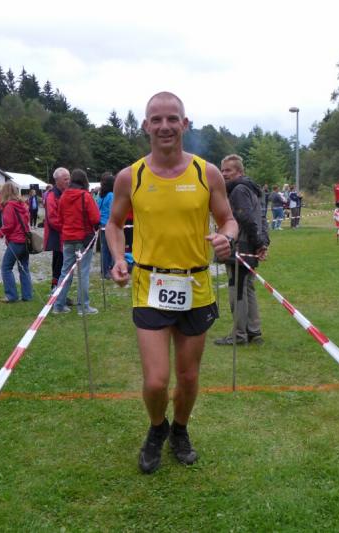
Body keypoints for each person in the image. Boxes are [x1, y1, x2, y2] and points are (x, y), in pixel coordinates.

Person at [106, 92, 236, 474]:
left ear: (185, 124)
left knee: (189, 377)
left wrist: (227, 237)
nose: (165, 126)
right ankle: (156, 428)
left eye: (172, 119)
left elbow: (228, 219)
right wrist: (118, 258)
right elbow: (113, 224)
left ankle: (179, 429)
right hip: (150, 286)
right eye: (157, 119)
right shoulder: (130, 177)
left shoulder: (206, 173)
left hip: (196, 286)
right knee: (156, 381)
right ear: (146, 126)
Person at [214, 154, 270, 346]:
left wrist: (259, 243)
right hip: (250, 246)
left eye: (228, 170)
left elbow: (246, 219)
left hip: (240, 247)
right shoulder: (251, 189)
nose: (224, 174)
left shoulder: (238, 190)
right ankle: (253, 331)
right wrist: (262, 243)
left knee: (236, 290)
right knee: (248, 288)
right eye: (222, 170)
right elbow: (261, 219)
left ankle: (239, 334)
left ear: (239, 171)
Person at [52, 169, 101, 315]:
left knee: (65, 273)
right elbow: (95, 218)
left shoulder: (64, 196)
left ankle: (58, 305)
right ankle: (83, 307)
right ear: (84, 181)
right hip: (84, 239)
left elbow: (59, 219)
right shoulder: (85, 196)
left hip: (68, 239)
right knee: (83, 273)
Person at [0, 181, 32, 303]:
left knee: (6, 268)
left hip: (16, 241)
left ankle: (11, 295)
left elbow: (9, 225)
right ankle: (27, 295)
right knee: (24, 268)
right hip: (25, 241)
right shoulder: (23, 205)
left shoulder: (9, 206)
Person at [44, 168, 71, 294]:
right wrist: (66, 228)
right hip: (57, 234)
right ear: (57, 180)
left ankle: (60, 292)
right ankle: (55, 291)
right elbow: (52, 219)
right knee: (58, 263)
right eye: (65, 179)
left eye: (68, 178)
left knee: (64, 263)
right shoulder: (52, 195)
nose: (68, 181)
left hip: (65, 234)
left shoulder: (66, 193)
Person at [97, 172, 115, 279]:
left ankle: (104, 269)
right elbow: (113, 211)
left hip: (102, 224)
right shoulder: (111, 195)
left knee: (104, 248)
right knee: (108, 249)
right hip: (109, 224)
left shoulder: (100, 196)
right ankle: (106, 271)